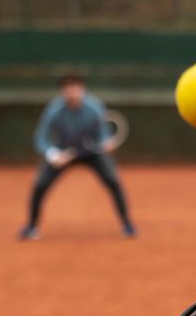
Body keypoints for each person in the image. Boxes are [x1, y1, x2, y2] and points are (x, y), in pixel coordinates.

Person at [20, 73, 136, 240]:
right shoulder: (54, 111)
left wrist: (106, 143)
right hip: (64, 153)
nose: (72, 91)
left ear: (82, 89)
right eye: (68, 88)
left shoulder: (95, 107)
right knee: (40, 185)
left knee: (113, 181)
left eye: (75, 87)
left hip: (92, 154)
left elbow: (103, 133)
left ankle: (127, 225)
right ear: (63, 91)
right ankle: (31, 227)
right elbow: (41, 138)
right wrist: (54, 155)